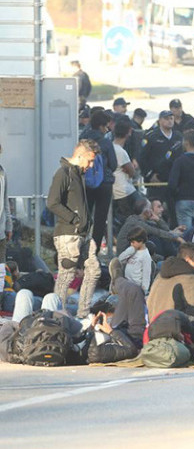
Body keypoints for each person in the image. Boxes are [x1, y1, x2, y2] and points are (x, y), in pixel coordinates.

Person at [48, 139, 100, 317]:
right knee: (66, 276)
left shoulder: (78, 174)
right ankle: (56, 314)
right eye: (89, 160)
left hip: (82, 234)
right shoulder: (64, 173)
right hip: (68, 234)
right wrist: (75, 219)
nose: (91, 165)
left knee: (93, 271)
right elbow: (52, 203)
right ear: (80, 155)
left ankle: (83, 314)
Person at [78, 110, 118, 252]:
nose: (107, 129)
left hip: (86, 184)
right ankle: (93, 253)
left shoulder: (83, 140)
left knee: (85, 218)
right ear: (101, 126)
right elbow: (113, 164)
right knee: (100, 220)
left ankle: (81, 249)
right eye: (106, 126)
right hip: (104, 184)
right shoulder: (106, 143)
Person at [147, 242, 194, 319]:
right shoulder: (190, 279)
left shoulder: (160, 275)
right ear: (188, 260)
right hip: (172, 327)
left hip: (151, 326)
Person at [140, 110, 182, 210]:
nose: (170, 121)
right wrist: (149, 175)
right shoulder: (151, 136)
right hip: (157, 180)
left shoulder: (178, 136)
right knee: (156, 209)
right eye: (166, 119)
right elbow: (142, 158)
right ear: (160, 120)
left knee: (174, 209)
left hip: (174, 179)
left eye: (171, 118)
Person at [115, 198, 184, 257]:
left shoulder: (140, 220)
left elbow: (166, 230)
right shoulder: (135, 223)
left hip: (132, 254)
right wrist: (178, 238)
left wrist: (158, 220)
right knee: (159, 239)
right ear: (146, 211)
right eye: (150, 208)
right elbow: (157, 232)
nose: (151, 210)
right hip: (126, 257)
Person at [110, 119, 143, 218]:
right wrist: (131, 168)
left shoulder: (110, 148)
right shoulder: (120, 151)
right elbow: (132, 172)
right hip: (124, 191)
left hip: (114, 191)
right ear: (129, 132)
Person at [116, 226, 153, 293]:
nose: (131, 244)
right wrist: (129, 252)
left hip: (136, 286)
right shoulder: (131, 250)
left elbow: (146, 274)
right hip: (127, 283)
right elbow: (120, 260)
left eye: (133, 242)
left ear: (141, 241)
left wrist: (144, 290)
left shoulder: (145, 256)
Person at [0, 142, 14, 261]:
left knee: (1, 268)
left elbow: (5, 201)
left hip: (0, 231)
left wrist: (9, 226)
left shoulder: (2, 172)